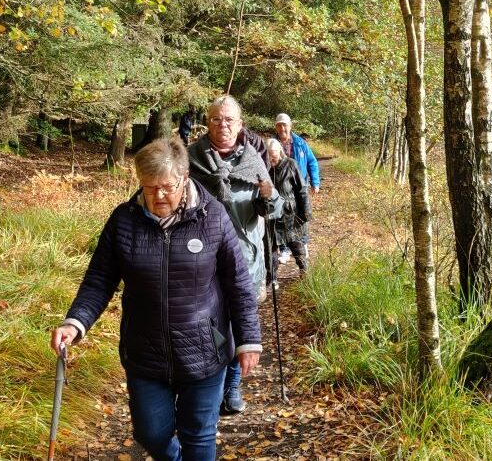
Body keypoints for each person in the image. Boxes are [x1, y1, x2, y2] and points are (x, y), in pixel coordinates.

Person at [50, 137, 262, 461]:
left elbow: (239, 284)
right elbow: (99, 279)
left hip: (206, 347)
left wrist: (248, 340)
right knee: (151, 434)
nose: (158, 196)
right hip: (145, 351)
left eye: (166, 187)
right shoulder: (124, 221)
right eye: (149, 187)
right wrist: (75, 322)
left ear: (185, 177)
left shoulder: (213, 217)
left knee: (200, 433)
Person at [187, 95, 283, 415]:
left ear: (240, 125)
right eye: (216, 119)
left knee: (240, 322)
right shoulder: (191, 160)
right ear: (207, 121)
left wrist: (269, 198)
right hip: (202, 260)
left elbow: (274, 207)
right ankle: (214, 385)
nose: (223, 125)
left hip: (246, 257)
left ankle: (233, 386)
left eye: (229, 120)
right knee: (211, 324)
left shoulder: (254, 162)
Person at [273, 113, 320, 263]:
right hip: (280, 187)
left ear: (290, 126)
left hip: (300, 185)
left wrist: (315, 182)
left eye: (284, 125)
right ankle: (285, 249)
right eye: (279, 125)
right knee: (281, 218)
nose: (282, 128)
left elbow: (312, 162)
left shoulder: (300, 143)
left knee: (302, 214)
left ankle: (303, 243)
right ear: (276, 127)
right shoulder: (272, 144)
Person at [265, 137, 311, 275]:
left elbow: (302, 189)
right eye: (268, 155)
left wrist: (305, 212)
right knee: (270, 246)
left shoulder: (291, 164)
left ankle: (304, 272)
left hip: (289, 213)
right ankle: (271, 278)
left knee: (295, 243)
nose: (272, 159)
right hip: (270, 214)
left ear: (280, 152)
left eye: (274, 155)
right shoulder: (263, 168)